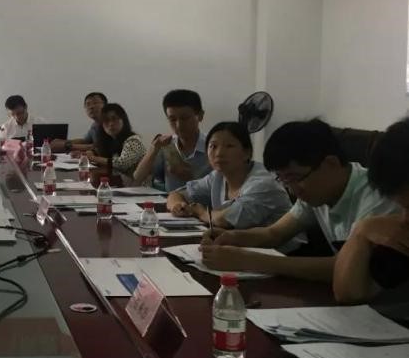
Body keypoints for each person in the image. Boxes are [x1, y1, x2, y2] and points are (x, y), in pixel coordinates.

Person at [201, 119, 399, 282]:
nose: (293, 190)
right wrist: (233, 237)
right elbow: (274, 233)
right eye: (283, 180)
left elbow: (348, 268)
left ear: (330, 163)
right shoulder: (314, 189)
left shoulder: (377, 195)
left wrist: (251, 261)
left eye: (295, 178)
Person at [166, 122, 292, 243]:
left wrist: (200, 212)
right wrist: (177, 206)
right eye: (213, 146)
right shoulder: (217, 176)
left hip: (282, 252)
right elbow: (176, 194)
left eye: (229, 146)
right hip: (240, 244)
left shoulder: (263, 183)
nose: (219, 153)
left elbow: (226, 220)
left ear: (247, 153)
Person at [333, 118, 409, 303]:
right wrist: (361, 232)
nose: (405, 220)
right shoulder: (400, 236)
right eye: (404, 208)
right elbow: (349, 295)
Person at [133, 89, 211, 191]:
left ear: (200, 115)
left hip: (205, 202)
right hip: (170, 201)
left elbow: (225, 187)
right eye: (172, 119)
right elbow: (137, 180)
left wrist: (191, 178)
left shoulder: (214, 146)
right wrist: (153, 149)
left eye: (185, 118)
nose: (179, 125)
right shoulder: (166, 145)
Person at [86, 103, 147, 178]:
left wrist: (95, 158)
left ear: (123, 120)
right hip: (119, 182)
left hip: (139, 183)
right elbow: (99, 151)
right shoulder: (110, 140)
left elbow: (123, 164)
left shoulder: (133, 140)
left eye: (114, 119)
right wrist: (92, 152)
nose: (111, 124)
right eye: (106, 120)